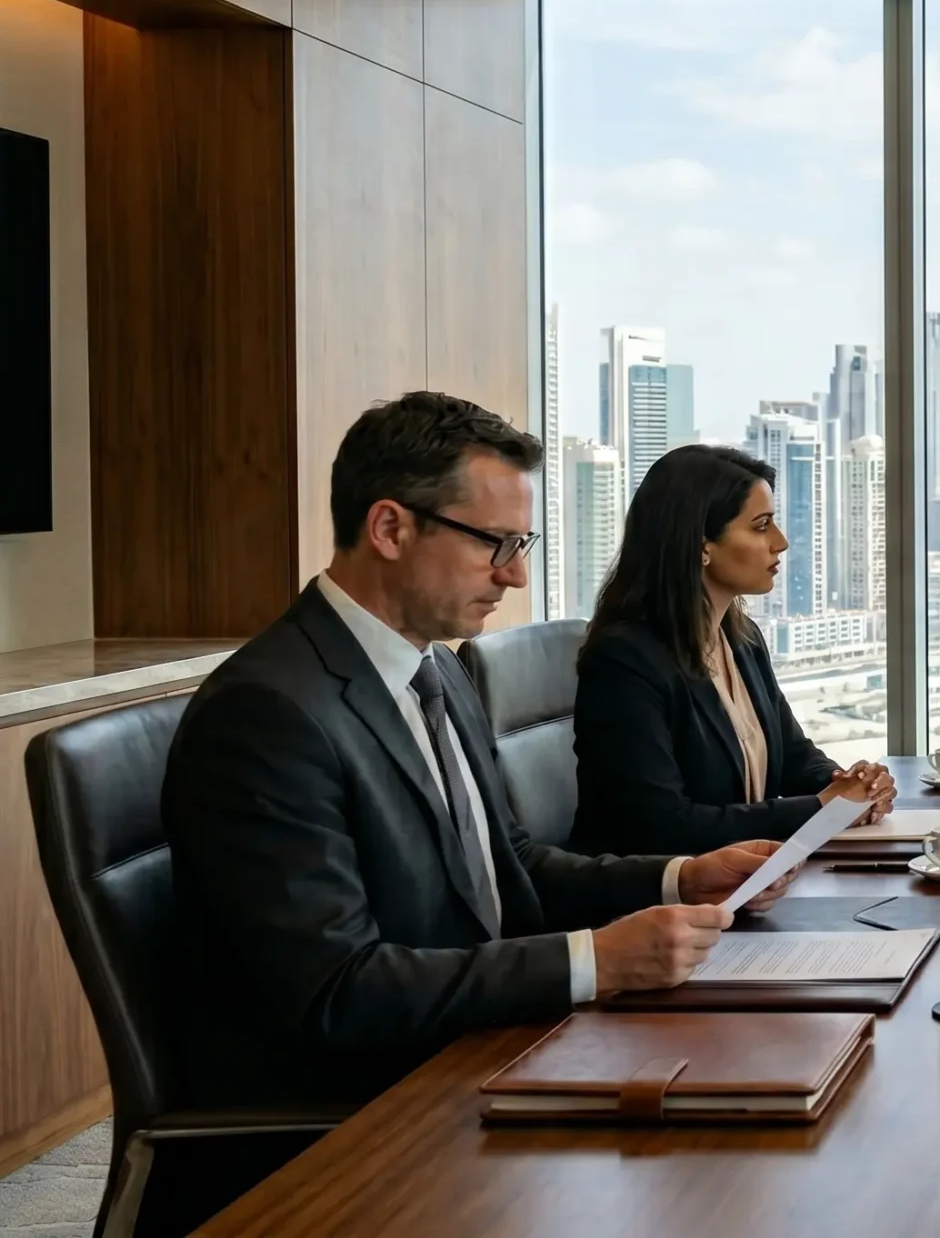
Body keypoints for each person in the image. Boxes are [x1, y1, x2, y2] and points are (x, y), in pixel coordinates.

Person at [160, 394, 790, 1230]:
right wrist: (593, 961)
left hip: (490, 1039)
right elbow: (339, 991)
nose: (515, 575)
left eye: (519, 545)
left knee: (763, 1109)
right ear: (390, 529)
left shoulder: (437, 672)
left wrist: (681, 874)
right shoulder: (271, 713)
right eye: (495, 544)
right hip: (383, 1110)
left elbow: (510, 866)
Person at [572, 444, 897, 854]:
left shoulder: (741, 638)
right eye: (761, 526)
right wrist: (821, 808)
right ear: (700, 544)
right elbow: (658, 824)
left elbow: (792, 755)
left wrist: (851, 784)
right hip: (657, 901)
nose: (780, 543)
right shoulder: (625, 661)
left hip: (747, 880)